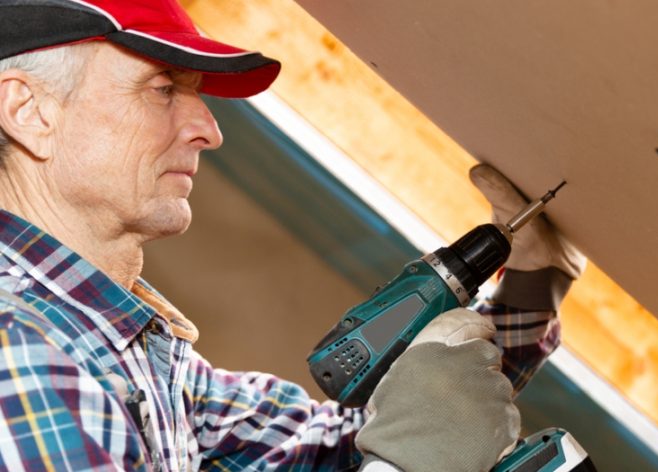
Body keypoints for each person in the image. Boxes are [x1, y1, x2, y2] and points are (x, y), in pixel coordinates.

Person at [0, 0, 585, 471]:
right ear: (29, 111)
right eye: (163, 88)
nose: (208, 128)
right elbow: (412, 448)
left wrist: (533, 283)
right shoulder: (19, 357)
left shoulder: (131, 352)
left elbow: (347, 443)